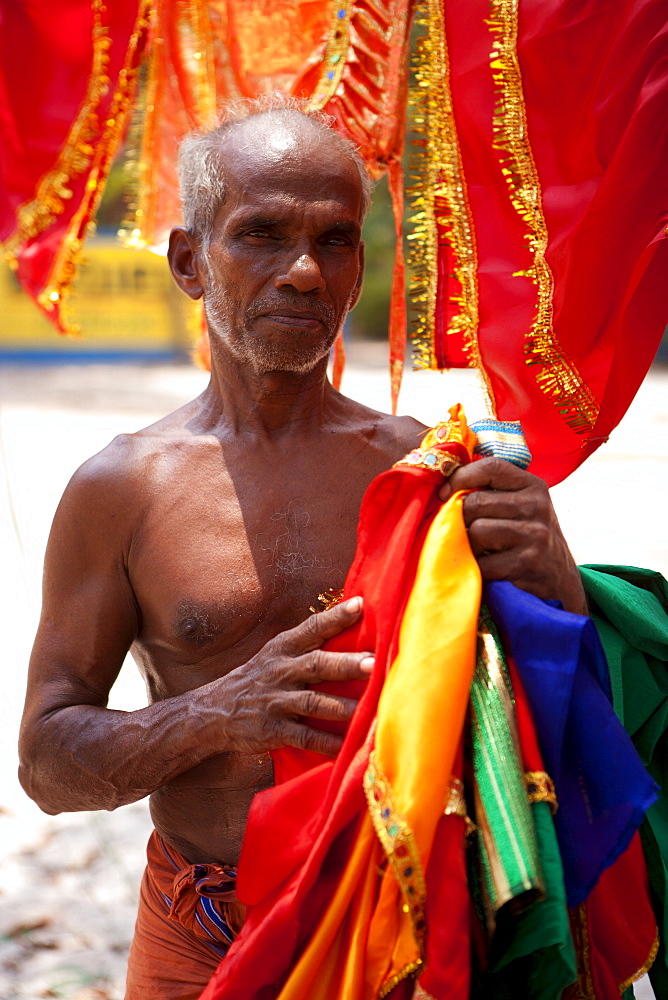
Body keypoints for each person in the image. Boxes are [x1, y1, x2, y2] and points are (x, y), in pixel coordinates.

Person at [18, 99, 588, 999]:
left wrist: (558, 578)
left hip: (400, 916)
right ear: (187, 262)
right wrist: (213, 714)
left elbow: (547, 709)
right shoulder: (122, 488)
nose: (301, 271)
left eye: (335, 240)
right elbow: (48, 766)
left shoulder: (425, 466)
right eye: (261, 234)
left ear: (361, 264)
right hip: (201, 926)